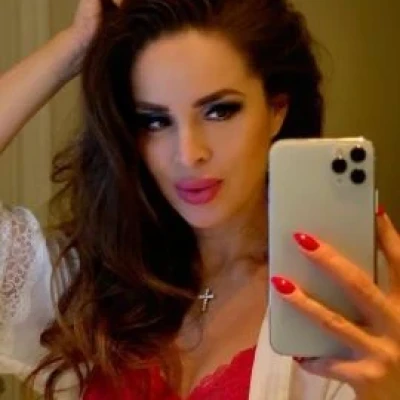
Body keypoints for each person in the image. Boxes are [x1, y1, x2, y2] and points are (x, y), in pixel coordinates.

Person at [0, 0, 399, 399]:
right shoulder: (100, 283)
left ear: (276, 110)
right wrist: (74, 47)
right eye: (156, 121)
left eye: (219, 111)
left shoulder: (348, 298)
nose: (189, 154)